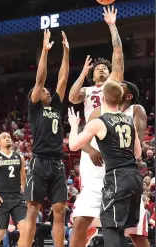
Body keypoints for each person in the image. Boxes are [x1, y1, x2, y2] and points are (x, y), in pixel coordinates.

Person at [69, 5, 124, 246]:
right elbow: (72, 97)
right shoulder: (88, 88)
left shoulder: (113, 85)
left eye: (105, 68)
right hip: (90, 141)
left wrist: (112, 25)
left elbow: (118, 54)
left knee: (115, 200)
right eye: (98, 69)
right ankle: (88, 228)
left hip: (111, 138)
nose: (102, 69)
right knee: (89, 198)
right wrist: (83, 72)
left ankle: (107, 230)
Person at [68, 80, 143, 247]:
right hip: (135, 177)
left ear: (102, 97)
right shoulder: (129, 120)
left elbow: (73, 145)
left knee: (111, 229)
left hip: (117, 178)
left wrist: (74, 125)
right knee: (121, 229)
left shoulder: (99, 122)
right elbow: (138, 153)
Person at [86, 80, 150, 247]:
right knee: (106, 226)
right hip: (105, 177)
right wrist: (92, 151)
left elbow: (137, 146)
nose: (116, 86)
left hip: (123, 174)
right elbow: (81, 140)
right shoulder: (100, 112)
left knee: (135, 234)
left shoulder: (135, 110)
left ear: (127, 96)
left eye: (121, 86)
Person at [23, 29, 70, 247]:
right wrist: (44, 51)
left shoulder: (57, 108)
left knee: (59, 210)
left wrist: (66, 53)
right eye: (43, 91)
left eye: (47, 92)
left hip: (57, 163)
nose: (47, 92)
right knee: (32, 210)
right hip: (39, 161)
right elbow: (40, 79)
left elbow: (62, 79)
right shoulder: (35, 108)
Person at [0, 132, 27, 247]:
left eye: (9, 137)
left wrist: (26, 192)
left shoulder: (20, 157)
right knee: (0, 233)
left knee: (24, 229)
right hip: (1, 198)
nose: (7, 139)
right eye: (4, 137)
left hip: (17, 197)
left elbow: (23, 177)